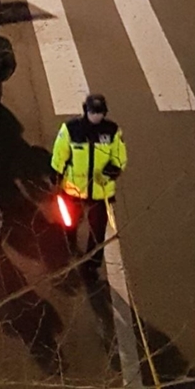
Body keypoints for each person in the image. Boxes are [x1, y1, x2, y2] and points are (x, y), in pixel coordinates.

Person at [50, 94, 127, 269]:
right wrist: (56, 176)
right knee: (69, 222)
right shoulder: (71, 129)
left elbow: (119, 158)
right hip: (74, 189)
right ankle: (69, 244)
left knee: (98, 231)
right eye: (94, 112)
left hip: (100, 190)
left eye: (100, 112)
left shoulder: (112, 131)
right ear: (86, 110)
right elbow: (59, 155)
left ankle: (92, 264)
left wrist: (110, 172)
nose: (96, 116)